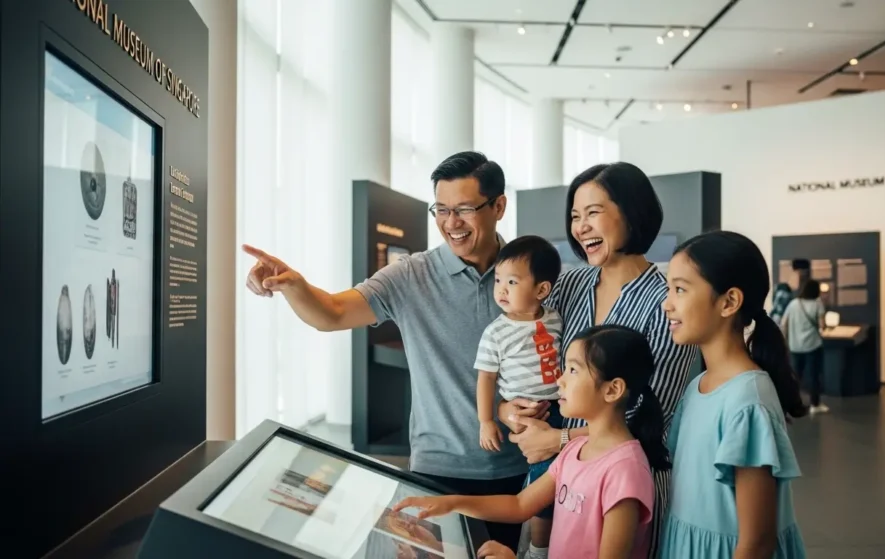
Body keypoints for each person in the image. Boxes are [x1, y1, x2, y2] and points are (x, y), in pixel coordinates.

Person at [241, 151, 529, 549]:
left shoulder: (529, 273)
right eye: (441, 210)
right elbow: (332, 312)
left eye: (464, 209)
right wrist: (293, 284)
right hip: (435, 469)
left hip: (512, 469)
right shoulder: (412, 275)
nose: (451, 223)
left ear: (498, 206)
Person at [498, 162, 699, 558]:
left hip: (619, 486)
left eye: (593, 212)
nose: (580, 227)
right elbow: (522, 354)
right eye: (575, 216)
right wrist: (509, 410)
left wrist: (556, 440)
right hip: (555, 479)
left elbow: (644, 414)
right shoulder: (568, 284)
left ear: (632, 211)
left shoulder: (666, 304)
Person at [396, 325, 666, 559]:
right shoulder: (575, 449)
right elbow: (520, 505)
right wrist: (450, 503)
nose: (559, 380)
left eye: (573, 370)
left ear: (612, 389)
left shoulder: (625, 471)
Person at [660, 230, 807, 559]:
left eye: (680, 290)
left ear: (729, 301)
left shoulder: (747, 400)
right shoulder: (697, 386)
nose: (666, 304)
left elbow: (756, 542)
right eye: (668, 289)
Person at [474, 235, 563, 559]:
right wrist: (486, 420)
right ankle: (539, 550)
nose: (501, 289)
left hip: (561, 407)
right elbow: (486, 378)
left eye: (512, 281)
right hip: (526, 414)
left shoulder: (555, 318)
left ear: (541, 290)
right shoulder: (496, 332)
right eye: (499, 280)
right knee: (543, 486)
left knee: (562, 479)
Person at [781, 279, 828, 414]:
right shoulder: (817, 304)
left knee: (795, 376)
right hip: (813, 345)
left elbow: (784, 323)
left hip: (795, 346)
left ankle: (792, 403)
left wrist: (785, 340)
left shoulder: (794, 303)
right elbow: (822, 325)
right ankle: (815, 404)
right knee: (814, 375)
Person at [770, 258, 810, 324]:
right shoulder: (784, 292)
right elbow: (777, 316)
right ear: (800, 272)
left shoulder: (782, 289)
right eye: (805, 274)